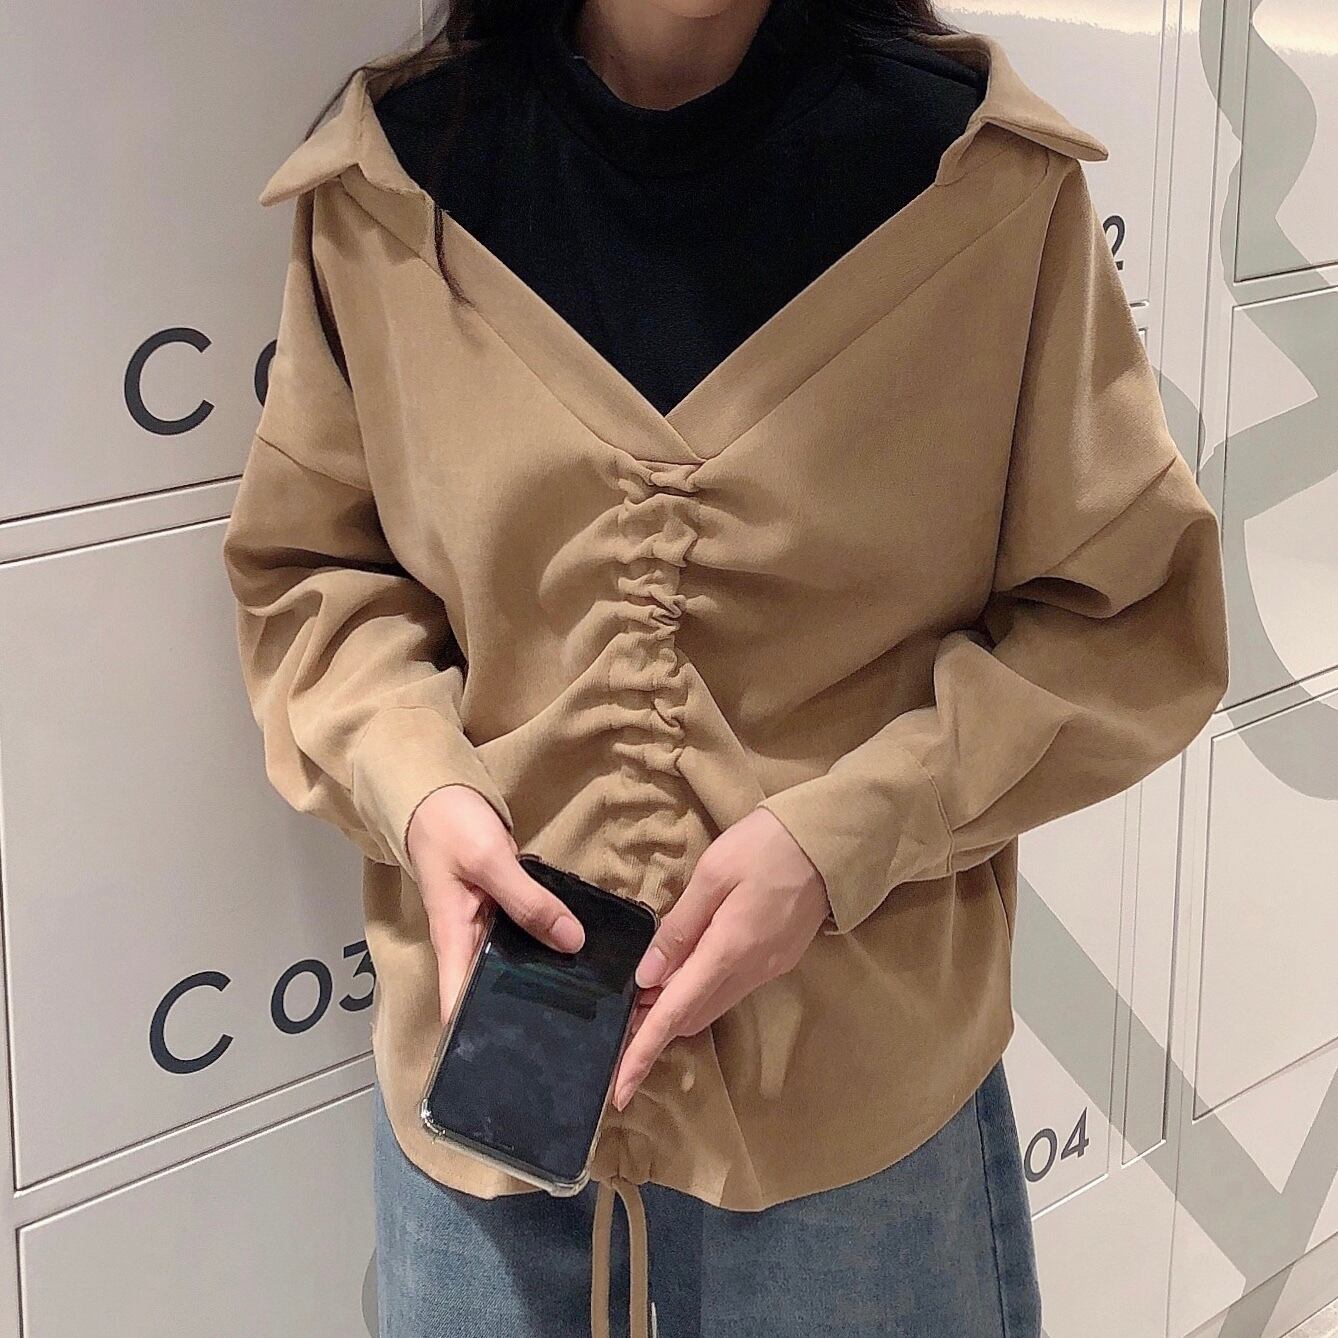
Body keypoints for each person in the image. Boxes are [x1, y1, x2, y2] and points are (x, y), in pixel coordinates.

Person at [221, 1, 1232, 1335]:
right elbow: (317, 577)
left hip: (851, 1125)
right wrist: (420, 792)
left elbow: (1126, 621)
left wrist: (846, 836)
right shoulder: (393, 181)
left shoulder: (979, 188)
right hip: (489, 1098)